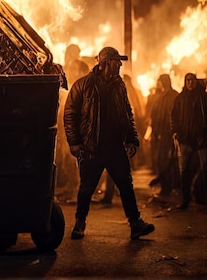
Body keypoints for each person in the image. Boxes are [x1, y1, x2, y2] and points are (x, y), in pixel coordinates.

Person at [64, 46, 155, 240]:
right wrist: (75, 143)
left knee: (126, 185)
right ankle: (80, 223)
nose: (120, 65)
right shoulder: (83, 85)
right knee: (87, 188)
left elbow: (127, 113)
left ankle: (135, 223)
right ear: (105, 63)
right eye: (116, 61)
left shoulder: (119, 85)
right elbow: (70, 114)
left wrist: (131, 139)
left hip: (115, 147)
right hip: (92, 147)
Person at [170, 73, 207, 210]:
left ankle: (202, 197)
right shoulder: (180, 98)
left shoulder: (203, 98)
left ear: (196, 82)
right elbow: (173, 116)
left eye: (192, 80)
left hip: (202, 140)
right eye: (188, 80)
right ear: (185, 82)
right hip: (185, 140)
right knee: (183, 171)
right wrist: (175, 132)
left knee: (205, 169)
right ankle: (185, 199)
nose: (190, 83)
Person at [148, 74, 179, 198]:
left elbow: (171, 116)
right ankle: (166, 186)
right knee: (161, 160)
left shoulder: (172, 96)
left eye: (159, 81)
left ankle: (168, 188)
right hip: (160, 134)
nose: (157, 83)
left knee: (167, 161)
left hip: (168, 134)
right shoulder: (162, 96)